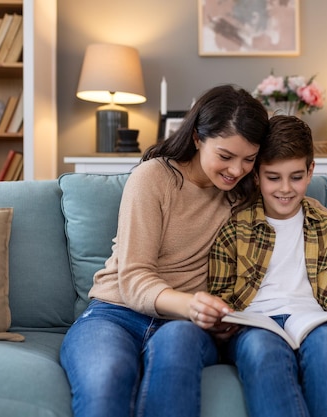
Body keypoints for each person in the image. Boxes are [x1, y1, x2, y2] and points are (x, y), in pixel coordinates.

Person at [59, 84, 270, 417]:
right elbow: (133, 279)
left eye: (249, 159)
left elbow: (299, 205)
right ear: (198, 138)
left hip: (185, 327)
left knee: (176, 348)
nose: (236, 170)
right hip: (115, 313)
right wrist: (192, 304)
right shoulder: (154, 178)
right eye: (225, 156)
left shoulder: (243, 192)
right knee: (107, 378)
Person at [208, 115, 327, 417]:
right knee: (262, 350)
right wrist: (222, 322)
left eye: (296, 177)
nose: (285, 189)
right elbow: (218, 296)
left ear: (311, 171)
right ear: (256, 175)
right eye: (273, 177)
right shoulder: (234, 228)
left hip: (314, 321)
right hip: (255, 325)